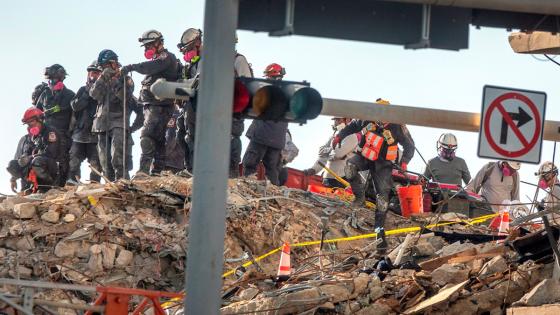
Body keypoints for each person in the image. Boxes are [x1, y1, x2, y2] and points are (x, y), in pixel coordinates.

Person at [335, 98, 415, 251]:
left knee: (382, 197)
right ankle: (360, 198)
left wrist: (405, 161)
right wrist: (340, 136)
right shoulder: (367, 118)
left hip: (383, 164)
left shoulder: (398, 126)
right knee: (350, 167)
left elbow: (409, 145)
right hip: (366, 157)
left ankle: (379, 228)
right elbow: (352, 126)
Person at [121, 29, 181, 176]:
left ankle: (143, 171)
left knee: (146, 136)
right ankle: (157, 171)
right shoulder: (158, 61)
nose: (147, 49)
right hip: (152, 107)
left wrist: (131, 67)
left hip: (160, 107)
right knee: (159, 140)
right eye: (146, 47)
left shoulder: (166, 58)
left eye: (149, 46)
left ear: (158, 43)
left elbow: (150, 67)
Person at [90, 49, 143, 181]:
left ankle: (122, 182)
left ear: (114, 64)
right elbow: (94, 95)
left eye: (107, 65)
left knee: (118, 159)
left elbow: (124, 96)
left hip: (118, 123)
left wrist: (114, 81)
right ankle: (109, 184)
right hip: (101, 126)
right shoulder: (102, 80)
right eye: (103, 67)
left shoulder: (126, 79)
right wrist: (102, 78)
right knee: (105, 161)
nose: (105, 69)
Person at [242, 63, 288, 185]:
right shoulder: (288, 92)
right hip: (277, 140)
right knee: (272, 169)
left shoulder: (265, 90)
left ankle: (247, 186)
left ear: (271, 76)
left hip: (261, 135)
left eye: (267, 76)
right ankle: (274, 193)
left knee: (250, 164)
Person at [35, 64, 75, 186]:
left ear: (61, 79)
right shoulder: (44, 95)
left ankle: (62, 186)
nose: (51, 82)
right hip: (46, 136)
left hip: (63, 134)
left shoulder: (70, 95)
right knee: (44, 158)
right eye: (50, 79)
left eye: (54, 79)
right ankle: (44, 186)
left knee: (63, 162)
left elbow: (74, 116)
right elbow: (37, 113)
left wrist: (70, 133)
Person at [7, 108, 62, 193]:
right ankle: (30, 186)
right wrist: (13, 178)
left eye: (31, 122)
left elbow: (51, 153)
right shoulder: (31, 138)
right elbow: (25, 156)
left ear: (40, 119)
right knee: (12, 164)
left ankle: (48, 186)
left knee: (37, 161)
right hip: (35, 165)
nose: (29, 126)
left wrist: (30, 157)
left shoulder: (50, 132)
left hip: (52, 166)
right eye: (27, 123)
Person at [67, 61, 103, 184]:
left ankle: (94, 185)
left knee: (96, 163)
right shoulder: (82, 90)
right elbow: (75, 106)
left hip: (97, 134)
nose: (94, 76)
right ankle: (73, 182)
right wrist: (87, 94)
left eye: (98, 73)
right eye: (93, 73)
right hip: (80, 133)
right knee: (73, 160)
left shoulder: (105, 91)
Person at [176, 28, 202, 174]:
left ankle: (195, 169)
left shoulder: (209, 60)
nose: (187, 53)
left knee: (193, 137)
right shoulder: (193, 63)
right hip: (189, 104)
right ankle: (189, 167)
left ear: (198, 43)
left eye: (189, 49)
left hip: (201, 106)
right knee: (181, 134)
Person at [305, 117, 359, 188]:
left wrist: (328, 152)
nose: (335, 123)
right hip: (327, 178)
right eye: (335, 120)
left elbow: (337, 154)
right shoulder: (335, 136)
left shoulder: (352, 137)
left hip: (340, 179)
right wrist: (314, 169)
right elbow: (321, 152)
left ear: (348, 120)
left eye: (338, 120)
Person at [230, 34, 253, 177]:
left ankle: (231, 174)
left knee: (232, 138)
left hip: (234, 109)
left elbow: (248, 85)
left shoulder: (238, 60)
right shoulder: (215, 63)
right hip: (218, 109)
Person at [163, 106, 185, 173]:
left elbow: (170, 136)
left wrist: (164, 156)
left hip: (170, 163)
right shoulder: (184, 115)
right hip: (180, 162)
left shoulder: (174, 116)